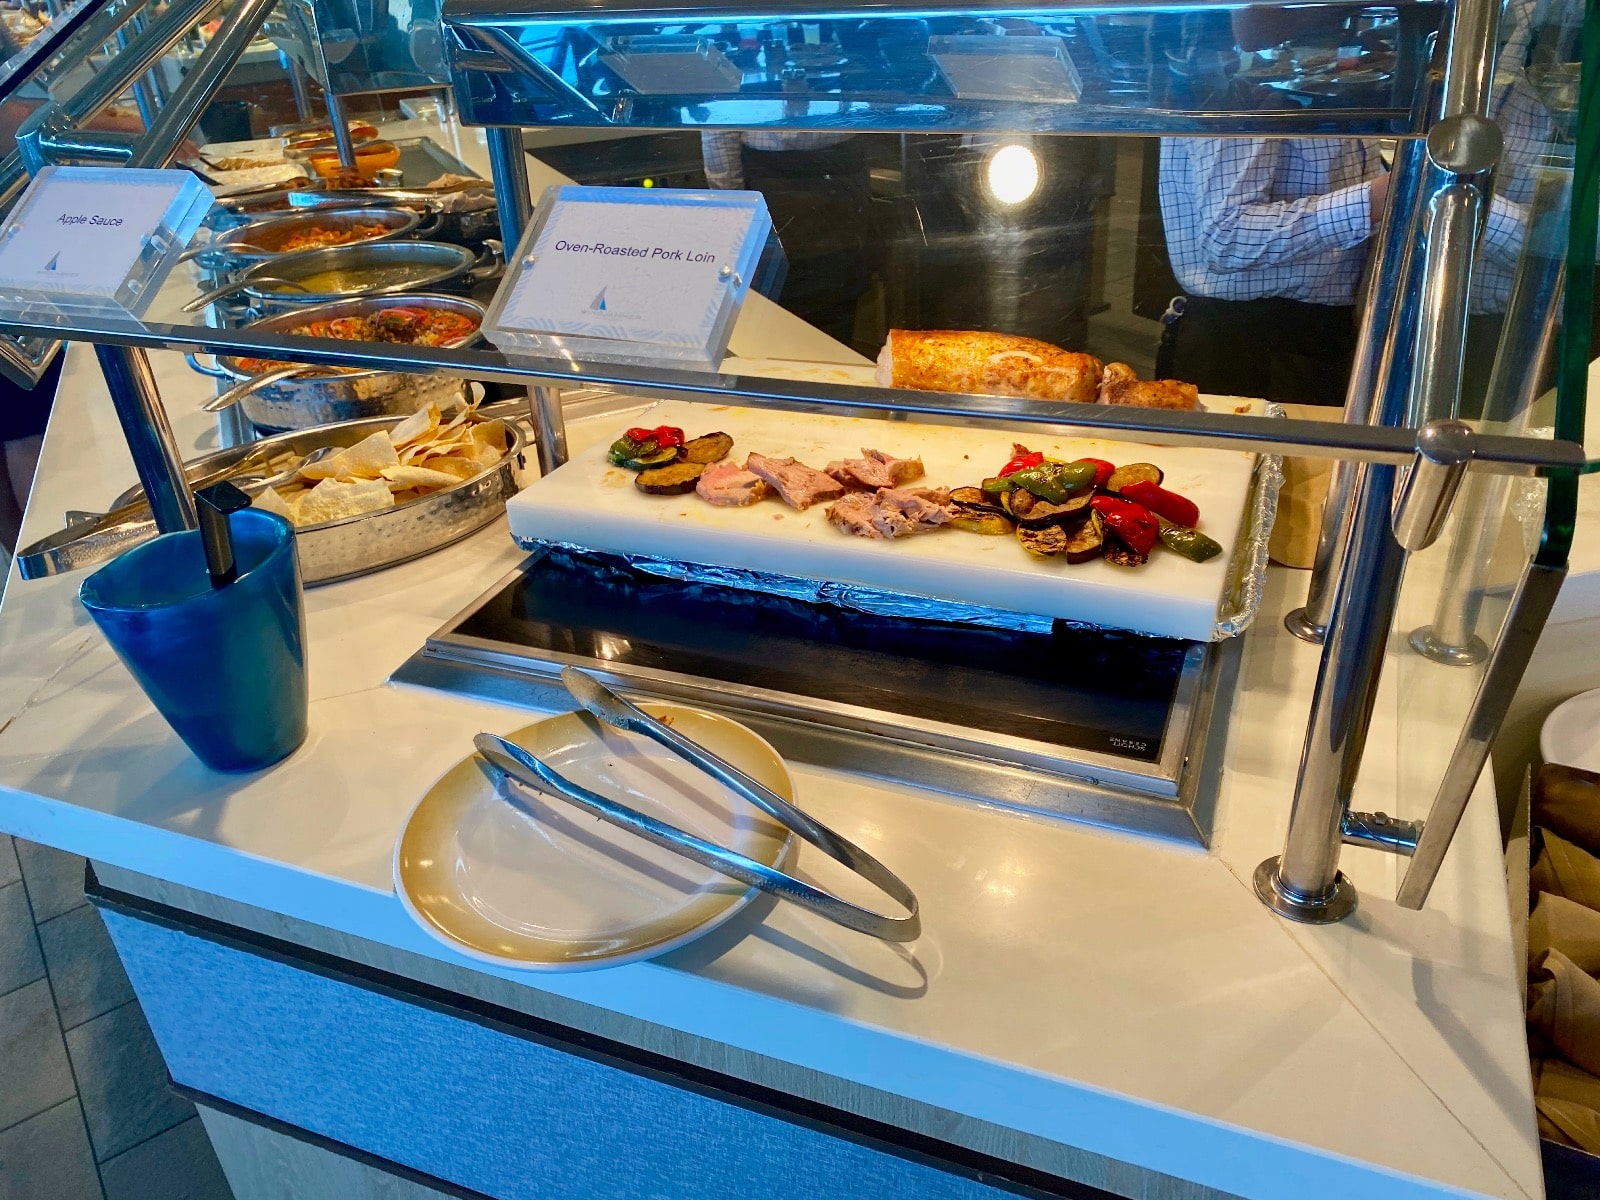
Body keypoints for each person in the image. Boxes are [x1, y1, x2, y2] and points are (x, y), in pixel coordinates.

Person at [700, 131, 872, 347]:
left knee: (838, 312)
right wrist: (737, 221)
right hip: (775, 184)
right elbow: (720, 128)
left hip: (843, 177)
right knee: (775, 312)